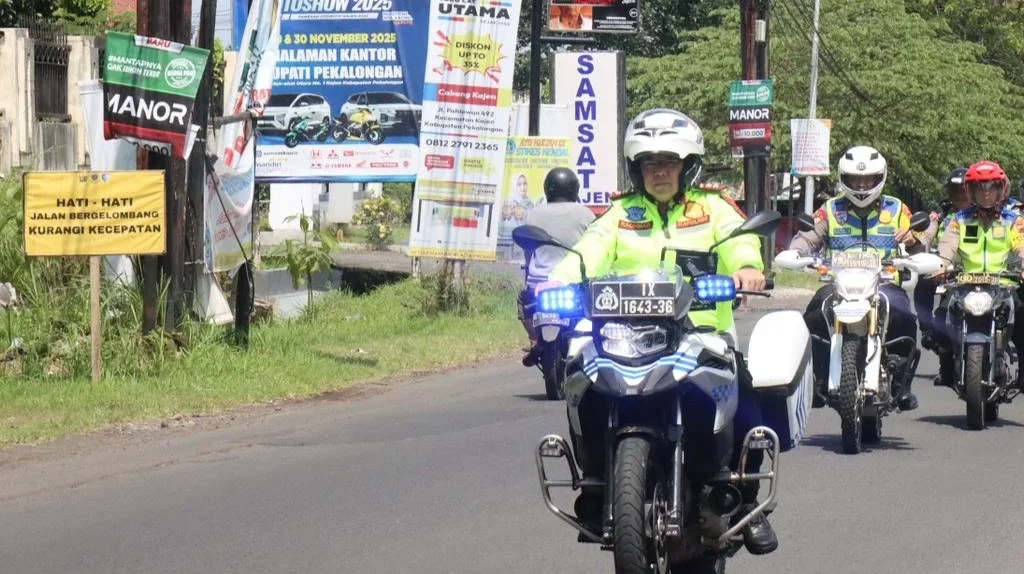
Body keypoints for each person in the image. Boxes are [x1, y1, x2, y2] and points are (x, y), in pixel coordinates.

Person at [537, 108, 778, 555]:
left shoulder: (714, 208)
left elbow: (740, 239)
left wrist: (747, 269)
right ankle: (594, 488)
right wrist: (559, 279)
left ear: (688, 166)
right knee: (582, 383)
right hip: (620, 336)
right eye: (650, 163)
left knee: (747, 395)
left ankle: (749, 501)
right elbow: (588, 251)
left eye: (669, 161)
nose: (660, 171)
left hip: (699, 335)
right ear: (637, 169)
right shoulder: (618, 213)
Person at [788, 145, 926, 411]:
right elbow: (808, 237)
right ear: (845, 179)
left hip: (884, 283)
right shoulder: (829, 210)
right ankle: (818, 376)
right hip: (838, 285)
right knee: (814, 314)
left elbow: (918, 243)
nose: (862, 185)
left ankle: (901, 385)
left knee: (906, 317)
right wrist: (797, 252)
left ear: (879, 178)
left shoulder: (897, 209)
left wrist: (914, 239)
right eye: (856, 179)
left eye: (867, 179)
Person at [933, 160, 1024, 387]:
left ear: (1000, 189)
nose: (985, 194)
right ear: (970, 191)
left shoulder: (1013, 220)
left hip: (1002, 285)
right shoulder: (959, 220)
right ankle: (947, 369)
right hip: (964, 285)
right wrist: (941, 265)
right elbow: (948, 244)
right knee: (940, 318)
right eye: (979, 188)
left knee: (1022, 321)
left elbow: (1021, 245)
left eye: (990, 188)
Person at [519, 168, 595, 365]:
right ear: (574, 189)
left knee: (524, 303)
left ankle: (535, 339)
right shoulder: (585, 213)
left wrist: (528, 272)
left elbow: (528, 251)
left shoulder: (534, 214)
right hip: (574, 281)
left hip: (540, 283)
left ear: (547, 189)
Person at [915, 168, 970, 353]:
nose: (960, 195)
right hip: (944, 268)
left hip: (972, 271)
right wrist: (916, 242)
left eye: (964, 189)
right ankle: (927, 328)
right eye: (955, 190)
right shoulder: (941, 213)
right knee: (923, 282)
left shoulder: (983, 213)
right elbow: (926, 235)